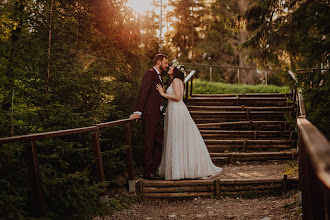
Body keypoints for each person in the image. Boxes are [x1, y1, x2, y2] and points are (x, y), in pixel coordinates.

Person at [156, 59, 222, 180]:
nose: (169, 68)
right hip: (173, 110)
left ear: (175, 71)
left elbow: (178, 97)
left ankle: (180, 170)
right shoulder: (174, 80)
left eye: (171, 67)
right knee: (176, 137)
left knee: (178, 137)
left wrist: (163, 94)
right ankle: (178, 168)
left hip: (177, 110)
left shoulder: (176, 80)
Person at [130, 53, 169, 180]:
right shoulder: (150, 73)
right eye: (165, 63)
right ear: (159, 62)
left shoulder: (159, 76)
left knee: (158, 142)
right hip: (149, 115)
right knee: (149, 143)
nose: (167, 66)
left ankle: (153, 169)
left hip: (157, 115)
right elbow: (144, 92)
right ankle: (148, 172)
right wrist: (138, 111)